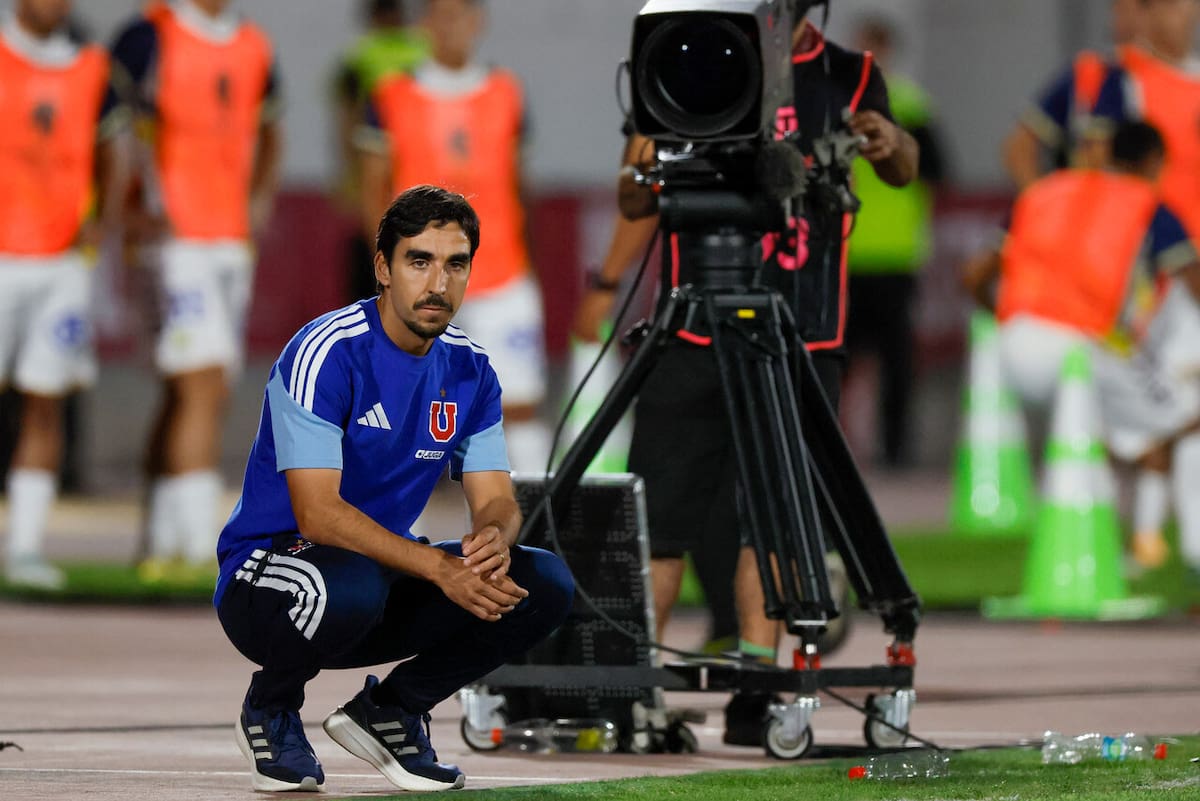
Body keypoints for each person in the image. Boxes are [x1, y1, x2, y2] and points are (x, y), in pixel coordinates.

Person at [573, 8, 918, 746]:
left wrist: (889, 139)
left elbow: (902, 163)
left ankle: (756, 689)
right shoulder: (708, 58)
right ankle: (634, 689)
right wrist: (641, 162)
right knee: (659, 520)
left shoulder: (851, 75)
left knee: (776, 527)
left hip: (804, 330)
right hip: (693, 324)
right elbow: (638, 197)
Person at [215, 185, 574, 793]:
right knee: (350, 581)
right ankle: (271, 709)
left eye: (455, 264)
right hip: (269, 578)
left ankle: (391, 711)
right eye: (419, 261)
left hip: (375, 581)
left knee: (541, 584)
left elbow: (495, 498)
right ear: (382, 268)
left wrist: (493, 539)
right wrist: (439, 567)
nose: (438, 283)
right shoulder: (326, 351)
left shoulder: (471, 369)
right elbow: (318, 515)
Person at [963, 121, 1200, 581]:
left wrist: (1011, 318)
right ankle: (1179, 545)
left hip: (1015, 345)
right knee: (1186, 413)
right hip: (1079, 347)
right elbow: (1193, 280)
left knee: (1122, 417)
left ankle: (1128, 465)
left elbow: (973, 275)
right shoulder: (1146, 204)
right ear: (1153, 162)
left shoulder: (1043, 192)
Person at [109, 0, 283, 577]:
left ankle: (157, 543)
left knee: (192, 390)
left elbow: (270, 126)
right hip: (173, 238)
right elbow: (108, 125)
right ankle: (199, 548)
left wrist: (256, 201)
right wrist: (126, 208)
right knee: (200, 382)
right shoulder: (148, 36)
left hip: (227, 241)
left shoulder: (252, 44)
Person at [358, 0, 551, 474]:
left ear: (478, 21)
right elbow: (371, 193)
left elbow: (519, 185)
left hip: (501, 273)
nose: (452, 27)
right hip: (423, 280)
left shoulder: (507, 91)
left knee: (518, 405)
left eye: (462, 15)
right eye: (440, 16)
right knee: (405, 411)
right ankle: (396, 538)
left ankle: (525, 533)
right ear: (423, 24)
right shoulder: (390, 95)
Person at [0, 0, 125, 589]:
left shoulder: (91, 69)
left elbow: (111, 155)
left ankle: (24, 547)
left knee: (44, 400)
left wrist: (100, 226)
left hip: (60, 261)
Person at [844, 15, 948, 468]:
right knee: (843, 359)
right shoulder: (850, 99)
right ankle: (837, 450)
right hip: (849, 251)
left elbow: (937, 171)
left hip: (892, 252)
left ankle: (895, 451)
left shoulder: (909, 104)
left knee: (891, 363)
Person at [331, 0, 429, 303]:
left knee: (370, 262)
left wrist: (348, 173)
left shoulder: (359, 56)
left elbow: (348, 118)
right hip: (417, 169)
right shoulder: (422, 51)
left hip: (373, 167)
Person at [1001, 0, 1145, 188]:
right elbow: (1018, 150)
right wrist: (1047, 207)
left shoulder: (1185, 83)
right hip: (1088, 211)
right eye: (1120, 8)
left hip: (1151, 211)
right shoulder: (1090, 76)